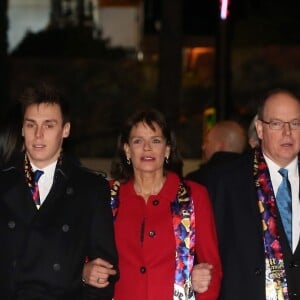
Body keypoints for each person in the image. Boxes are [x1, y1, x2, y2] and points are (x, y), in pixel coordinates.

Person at [83, 109, 222, 299]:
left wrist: (204, 282)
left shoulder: (194, 195)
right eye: (138, 141)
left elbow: (211, 269)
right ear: (127, 149)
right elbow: (79, 254)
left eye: (155, 141)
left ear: (167, 150)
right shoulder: (106, 195)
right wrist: (85, 271)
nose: (147, 148)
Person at [0, 83, 118, 299]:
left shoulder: (90, 188)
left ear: (65, 130)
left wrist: (86, 278)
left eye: (49, 125)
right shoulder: (3, 182)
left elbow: (105, 271)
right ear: (22, 129)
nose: (38, 135)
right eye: (31, 125)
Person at [211, 88, 300, 300]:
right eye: (277, 124)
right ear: (260, 129)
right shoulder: (227, 183)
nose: (287, 133)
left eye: (295, 123)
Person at [185, 120, 247, 186]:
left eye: (207, 142)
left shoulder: (197, 179)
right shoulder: (253, 177)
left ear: (221, 146)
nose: (203, 147)